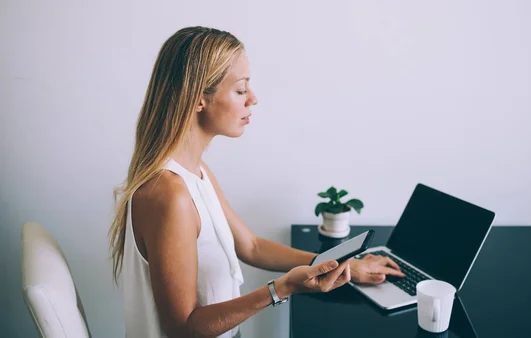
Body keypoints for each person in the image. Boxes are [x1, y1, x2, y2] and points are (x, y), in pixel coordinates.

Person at [108, 26, 405, 338]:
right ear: (199, 100)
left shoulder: (195, 172)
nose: (253, 99)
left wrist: (340, 263)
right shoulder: (169, 194)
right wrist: (283, 287)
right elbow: (183, 328)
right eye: (240, 90)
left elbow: (250, 246)